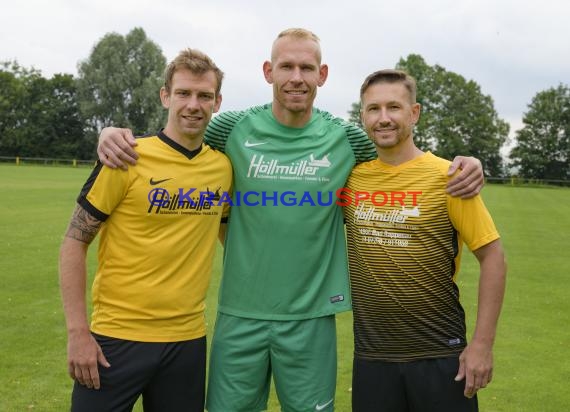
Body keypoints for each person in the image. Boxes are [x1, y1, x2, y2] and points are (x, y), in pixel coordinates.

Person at [96, 29, 485, 412]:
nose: (296, 77)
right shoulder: (231, 128)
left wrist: (463, 163)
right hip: (239, 314)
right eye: (286, 66)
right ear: (269, 72)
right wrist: (111, 134)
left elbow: (399, 153)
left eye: (306, 67)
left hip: (310, 318)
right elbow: (180, 133)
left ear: (322, 74)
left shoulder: (347, 139)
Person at [58, 48, 232, 412]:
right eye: (183, 93)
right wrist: (78, 332)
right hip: (115, 340)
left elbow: (233, 238)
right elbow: (75, 242)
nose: (193, 104)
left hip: (187, 342)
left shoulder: (223, 169)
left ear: (217, 102)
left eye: (204, 96)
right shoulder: (125, 157)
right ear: (165, 96)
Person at [344, 69, 507, 412]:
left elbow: (493, 257)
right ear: (363, 116)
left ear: (414, 113)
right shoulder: (351, 179)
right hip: (372, 357)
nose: (383, 118)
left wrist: (481, 345)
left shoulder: (449, 177)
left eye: (394, 107)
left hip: (440, 353)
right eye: (373, 109)